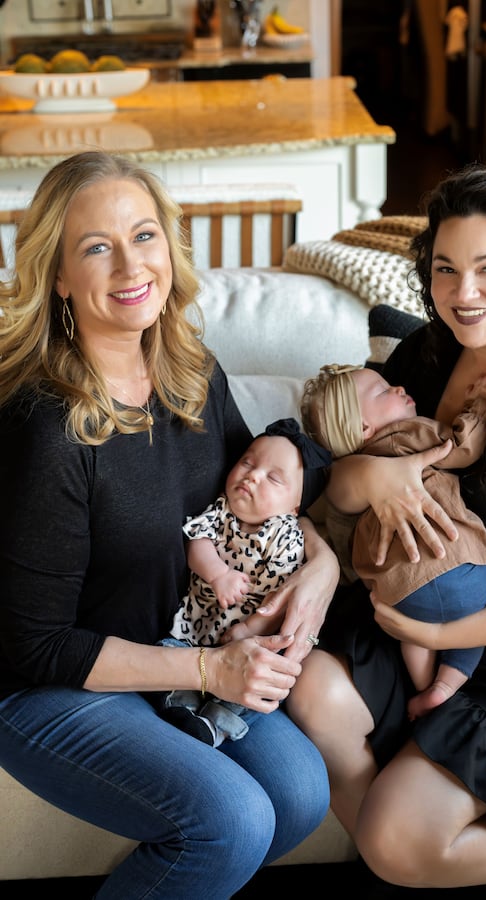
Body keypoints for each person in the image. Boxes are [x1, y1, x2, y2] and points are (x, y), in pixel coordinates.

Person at [0, 150, 339, 900]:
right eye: (97, 246)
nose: (130, 264)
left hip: (174, 648)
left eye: (144, 235)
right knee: (233, 821)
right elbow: (37, 644)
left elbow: (261, 496)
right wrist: (209, 670)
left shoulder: (191, 373)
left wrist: (323, 567)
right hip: (47, 683)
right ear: (57, 276)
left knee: (302, 794)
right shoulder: (47, 426)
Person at [286, 162, 486, 889]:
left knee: (396, 838)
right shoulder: (422, 358)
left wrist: (438, 638)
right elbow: (343, 474)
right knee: (312, 693)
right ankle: (416, 861)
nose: (462, 294)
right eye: (444, 269)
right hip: (423, 602)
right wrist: (382, 478)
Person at [301, 363, 486, 720]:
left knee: (415, 634)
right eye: (382, 391)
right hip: (458, 568)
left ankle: (425, 686)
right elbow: (461, 448)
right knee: (475, 625)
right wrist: (482, 405)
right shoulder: (405, 434)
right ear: (364, 428)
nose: (397, 388)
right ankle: (446, 686)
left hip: (401, 594)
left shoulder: (349, 481)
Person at [158, 417, 331, 747]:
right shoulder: (221, 511)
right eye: (247, 462)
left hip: (252, 640)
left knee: (260, 683)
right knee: (171, 650)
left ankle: (215, 724)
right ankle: (180, 703)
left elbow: (279, 601)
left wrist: (250, 629)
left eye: (273, 478)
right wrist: (218, 574)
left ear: (296, 506)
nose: (252, 475)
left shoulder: (286, 539)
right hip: (198, 626)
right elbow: (198, 542)